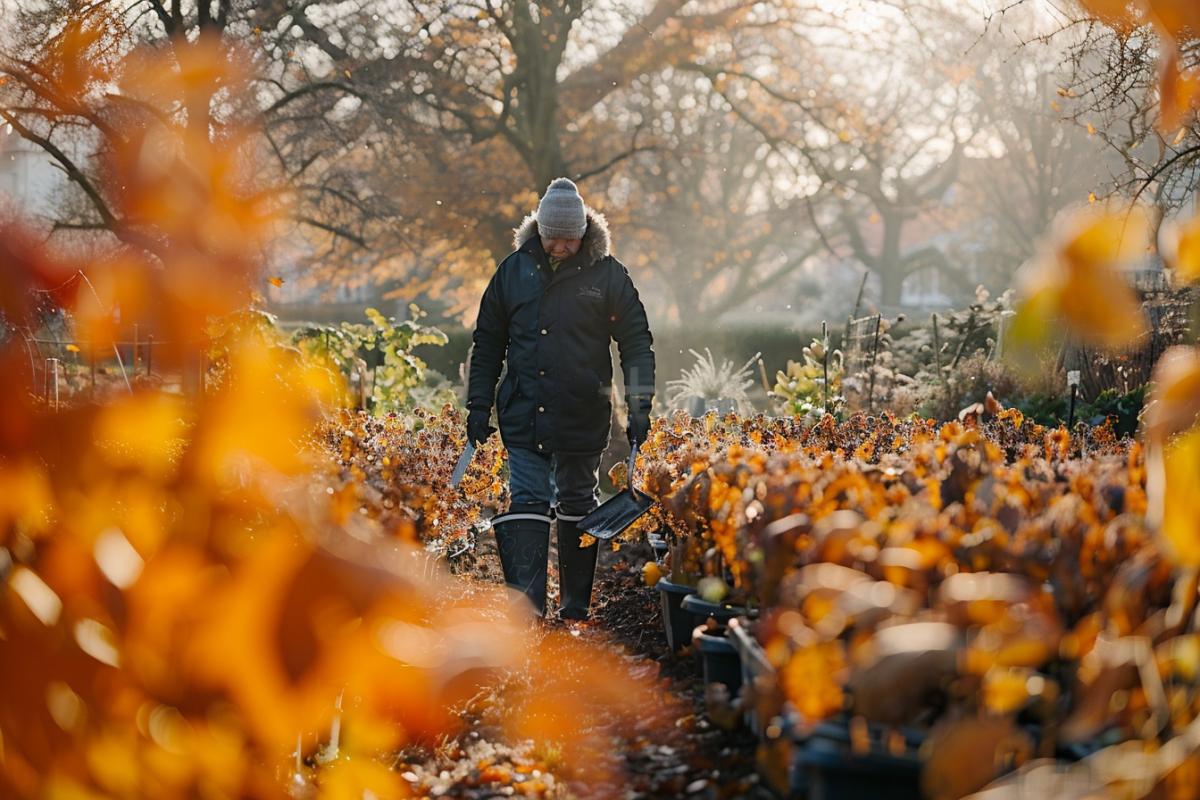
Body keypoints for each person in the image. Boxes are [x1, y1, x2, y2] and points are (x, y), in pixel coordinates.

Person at [466, 177, 655, 620]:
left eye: (571, 239)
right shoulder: (513, 272)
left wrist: (639, 406)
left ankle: (574, 604)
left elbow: (636, 343)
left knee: (577, 500)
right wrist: (478, 405)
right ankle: (527, 608)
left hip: (581, 412)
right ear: (541, 231)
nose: (562, 247)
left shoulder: (607, 274)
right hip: (523, 409)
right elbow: (488, 342)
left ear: (584, 234)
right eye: (554, 238)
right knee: (527, 500)